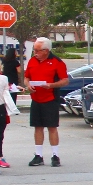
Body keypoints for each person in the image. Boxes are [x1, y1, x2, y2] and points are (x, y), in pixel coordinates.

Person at [23, 37, 69, 166]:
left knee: (52, 127)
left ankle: (55, 155)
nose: (35, 53)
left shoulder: (57, 62)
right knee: (38, 127)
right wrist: (28, 85)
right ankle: (38, 155)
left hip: (50, 99)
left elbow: (65, 80)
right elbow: (26, 77)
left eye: (37, 50)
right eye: (34, 50)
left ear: (46, 51)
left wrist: (51, 85)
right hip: (36, 99)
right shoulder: (32, 61)